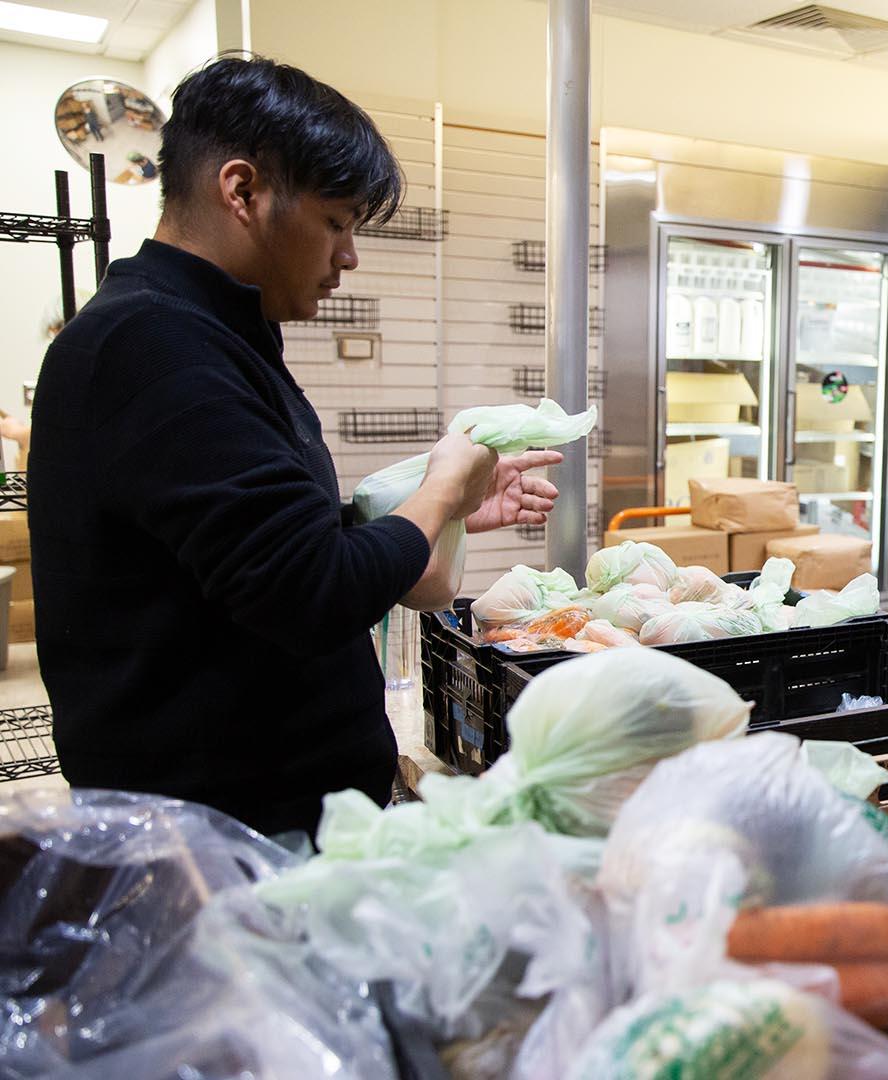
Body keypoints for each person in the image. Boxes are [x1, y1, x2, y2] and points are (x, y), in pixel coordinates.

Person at [30, 55, 564, 838]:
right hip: (220, 838)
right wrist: (441, 491)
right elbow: (310, 591)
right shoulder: (152, 344)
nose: (348, 256)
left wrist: (427, 515)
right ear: (242, 190)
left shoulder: (214, 334)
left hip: (265, 819)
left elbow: (253, 552)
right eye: (338, 223)